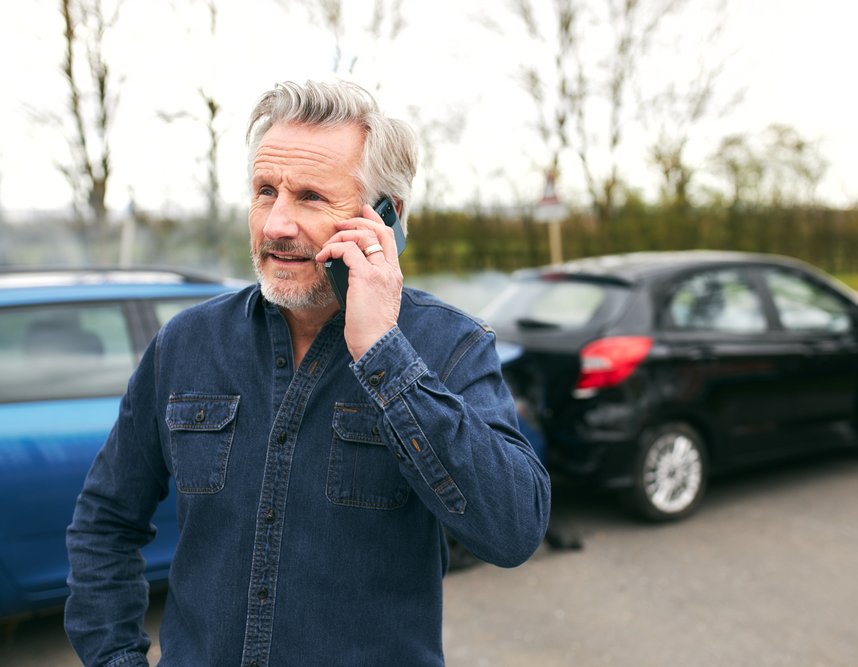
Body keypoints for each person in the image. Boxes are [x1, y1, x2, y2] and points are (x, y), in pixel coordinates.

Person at [64, 80, 551, 666]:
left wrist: (384, 354)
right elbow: (104, 523)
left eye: (311, 197)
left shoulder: (449, 345)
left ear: (386, 218)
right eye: (265, 191)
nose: (276, 224)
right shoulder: (187, 343)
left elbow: (513, 531)